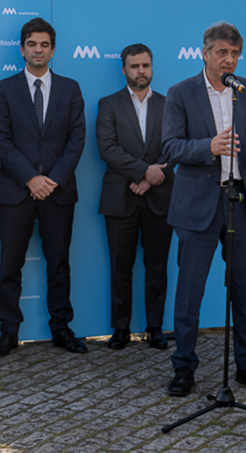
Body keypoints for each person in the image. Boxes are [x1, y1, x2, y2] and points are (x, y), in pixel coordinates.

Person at [160, 22, 246, 396]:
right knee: (189, 293)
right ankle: (184, 367)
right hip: (197, 206)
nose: (229, 60)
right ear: (205, 53)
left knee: (245, 291)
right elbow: (170, 147)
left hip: (241, 202)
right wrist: (207, 147)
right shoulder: (180, 93)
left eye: (235, 53)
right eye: (222, 52)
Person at [0, 17, 87, 357]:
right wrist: (31, 178)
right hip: (16, 190)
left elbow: (76, 140)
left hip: (59, 192)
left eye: (44, 45)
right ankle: (8, 332)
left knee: (59, 264)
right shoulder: (4, 89)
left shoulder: (70, 88)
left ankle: (61, 328)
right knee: (9, 266)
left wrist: (52, 180)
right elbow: (1, 141)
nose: (38, 50)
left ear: (53, 50)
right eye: (32, 44)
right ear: (22, 49)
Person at [95, 43, 174, 350]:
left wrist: (151, 179)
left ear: (152, 67)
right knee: (120, 267)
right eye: (134, 66)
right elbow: (107, 148)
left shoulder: (169, 104)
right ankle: (120, 328)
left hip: (160, 196)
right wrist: (143, 173)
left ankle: (155, 328)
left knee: (157, 267)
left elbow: (175, 146)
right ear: (124, 69)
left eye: (145, 65)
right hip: (120, 197)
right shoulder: (108, 104)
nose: (141, 71)